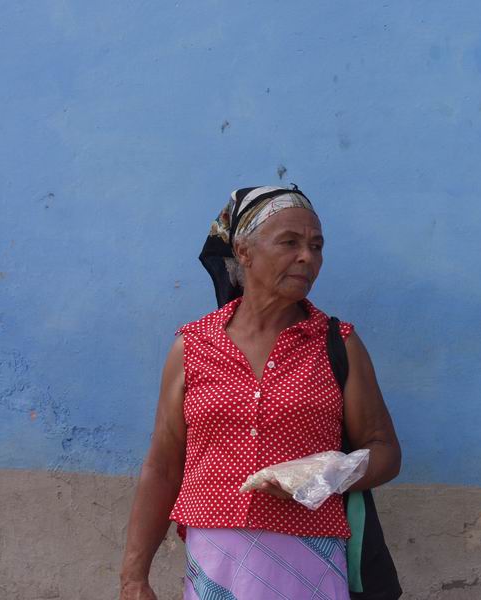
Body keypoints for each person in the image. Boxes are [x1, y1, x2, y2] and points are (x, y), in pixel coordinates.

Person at [119, 186, 402, 599]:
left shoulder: (338, 344)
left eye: (316, 246)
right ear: (244, 252)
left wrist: (330, 472)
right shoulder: (193, 346)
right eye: (290, 242)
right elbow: (162, 467)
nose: (308, 257)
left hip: (309, 557)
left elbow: (385, 451)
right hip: (217, 561)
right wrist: (134, 576)